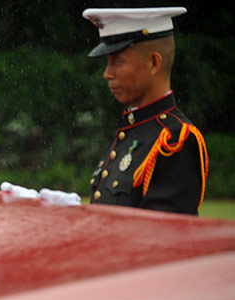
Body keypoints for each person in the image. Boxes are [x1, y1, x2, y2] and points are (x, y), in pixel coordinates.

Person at [83, 7, 208, 214]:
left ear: (153, 63)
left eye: (117, 62)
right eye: (108, 63)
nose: (107, 74)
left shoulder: (174, 140)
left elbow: (164, 238)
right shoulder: (134, 133)